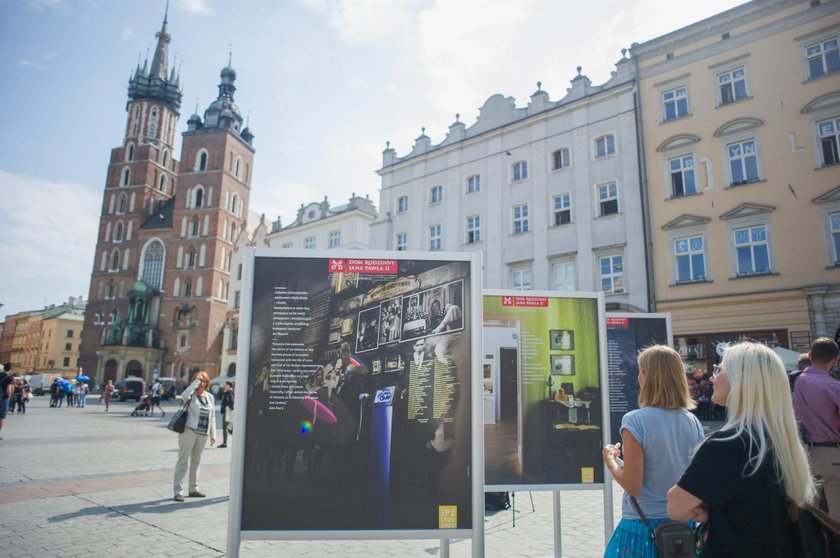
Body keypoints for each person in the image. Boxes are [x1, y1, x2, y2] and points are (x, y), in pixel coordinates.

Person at [667, 342, 816, 557]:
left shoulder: (727, 444)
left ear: (742, 381)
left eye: (720, 369)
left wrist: (706, 508)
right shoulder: (777, 438)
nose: (713, 377)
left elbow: (676, 506)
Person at [602, 345, 704, 557]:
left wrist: (611, 460)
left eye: (640, 371)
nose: (638, 377)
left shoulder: (635, 420)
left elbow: (633, 485)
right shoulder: (692, 421)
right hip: (683, 526)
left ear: (648, 376)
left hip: (642, 527)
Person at [792, 337, 840, 520]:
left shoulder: (793, 383)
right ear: (835, 360)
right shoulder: (834, 387)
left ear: (810, 355)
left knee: (808, 514)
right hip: (832, 452)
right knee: (836, 516)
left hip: (801, 452)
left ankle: (812, 547)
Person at [173, 370, 217, 502]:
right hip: (189, 431)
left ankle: (193, 489)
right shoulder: (191, 395)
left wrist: (213, 434)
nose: (201, 383)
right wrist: (195, 383)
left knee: (196, 461)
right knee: (183, 461)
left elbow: (213, 416)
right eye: (199, 380)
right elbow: (183, 395)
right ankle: (178, 491)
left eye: (204, 381)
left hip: (203, 433)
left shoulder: (210, 397)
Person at [219, 381, 234, 448]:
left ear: (228, 386)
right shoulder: (229, 392)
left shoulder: (229, 392)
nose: (224, 386)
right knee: (228, 427)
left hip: (227, 412)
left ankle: (224, 443)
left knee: (225, 427)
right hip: (228, 411)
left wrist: (227, 405)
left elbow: (231, 401)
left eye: (225, 385)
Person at [0, 363, 13, 439]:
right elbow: (9, 389)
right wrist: (9, 396)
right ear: (10, 369)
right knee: (1, 417)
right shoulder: (9, 377)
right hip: (3, 399)